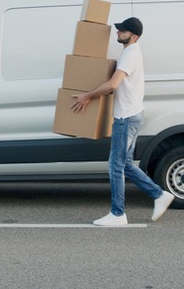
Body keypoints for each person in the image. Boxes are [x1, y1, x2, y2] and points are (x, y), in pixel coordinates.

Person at [70, 17, 174, 226]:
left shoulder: (130, 54)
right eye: (119, 30)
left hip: (126, 118)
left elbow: (112, 85)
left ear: (133, 36)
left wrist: (87, 96)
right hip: (133, 114)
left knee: (115, 165)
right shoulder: (131, 53)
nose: (118, 33)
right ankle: (159, 195)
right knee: (125, 164)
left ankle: (118, 214)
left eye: (122, 31)